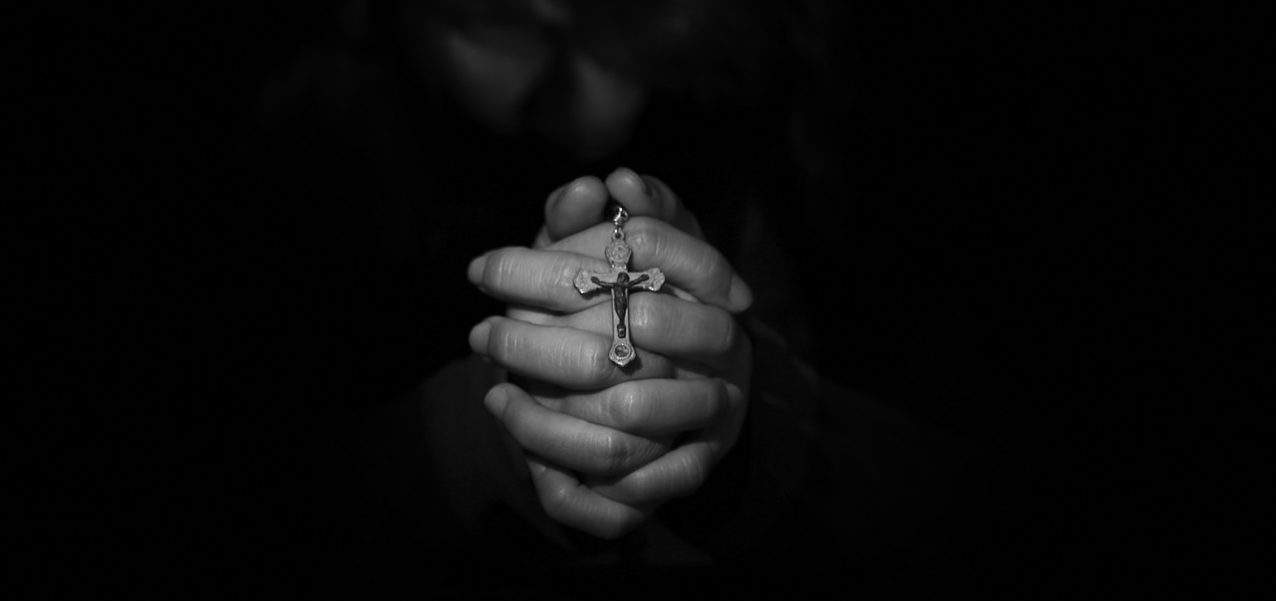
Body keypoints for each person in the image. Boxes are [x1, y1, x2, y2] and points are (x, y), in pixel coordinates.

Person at [219, 0, 964, 595]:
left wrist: (755, 419)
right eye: (536, 112)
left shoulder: (811, 93)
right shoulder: (337, 175)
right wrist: (499, 430)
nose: (588, 125)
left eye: (565, 57)